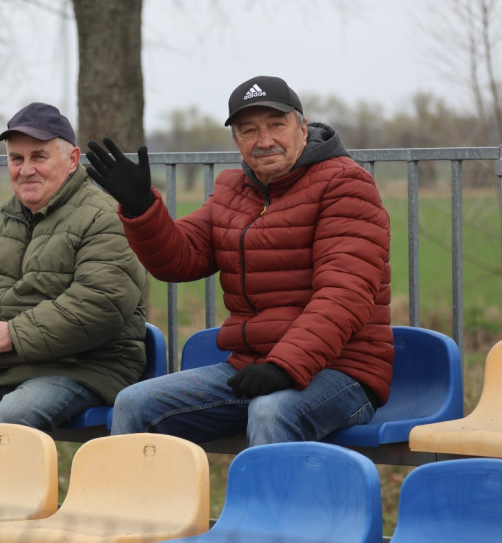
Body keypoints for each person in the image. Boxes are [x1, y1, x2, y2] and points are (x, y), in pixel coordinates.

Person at [86, 76, 393, 446]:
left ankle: (267, 507)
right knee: (134, 404)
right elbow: (181, 259)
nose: (264, 141)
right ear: (236, 141)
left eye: (276, 125)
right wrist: (142, 207)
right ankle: (142, 506)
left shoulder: (345, 184)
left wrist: (284, 365)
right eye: (249, 130)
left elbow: (345, 293)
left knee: (273, 411)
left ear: (302, 127)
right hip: (253, 367)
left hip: (342, 371)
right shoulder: (233, 190)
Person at [0, 102, 148, 468]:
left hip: (83, 364)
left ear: (72, 158)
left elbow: (102, 304)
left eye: (39, 156)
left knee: (15, 417)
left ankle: (16, 517)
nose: (26, 169)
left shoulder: (104, 216)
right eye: (16, 158)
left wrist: (13, 334)